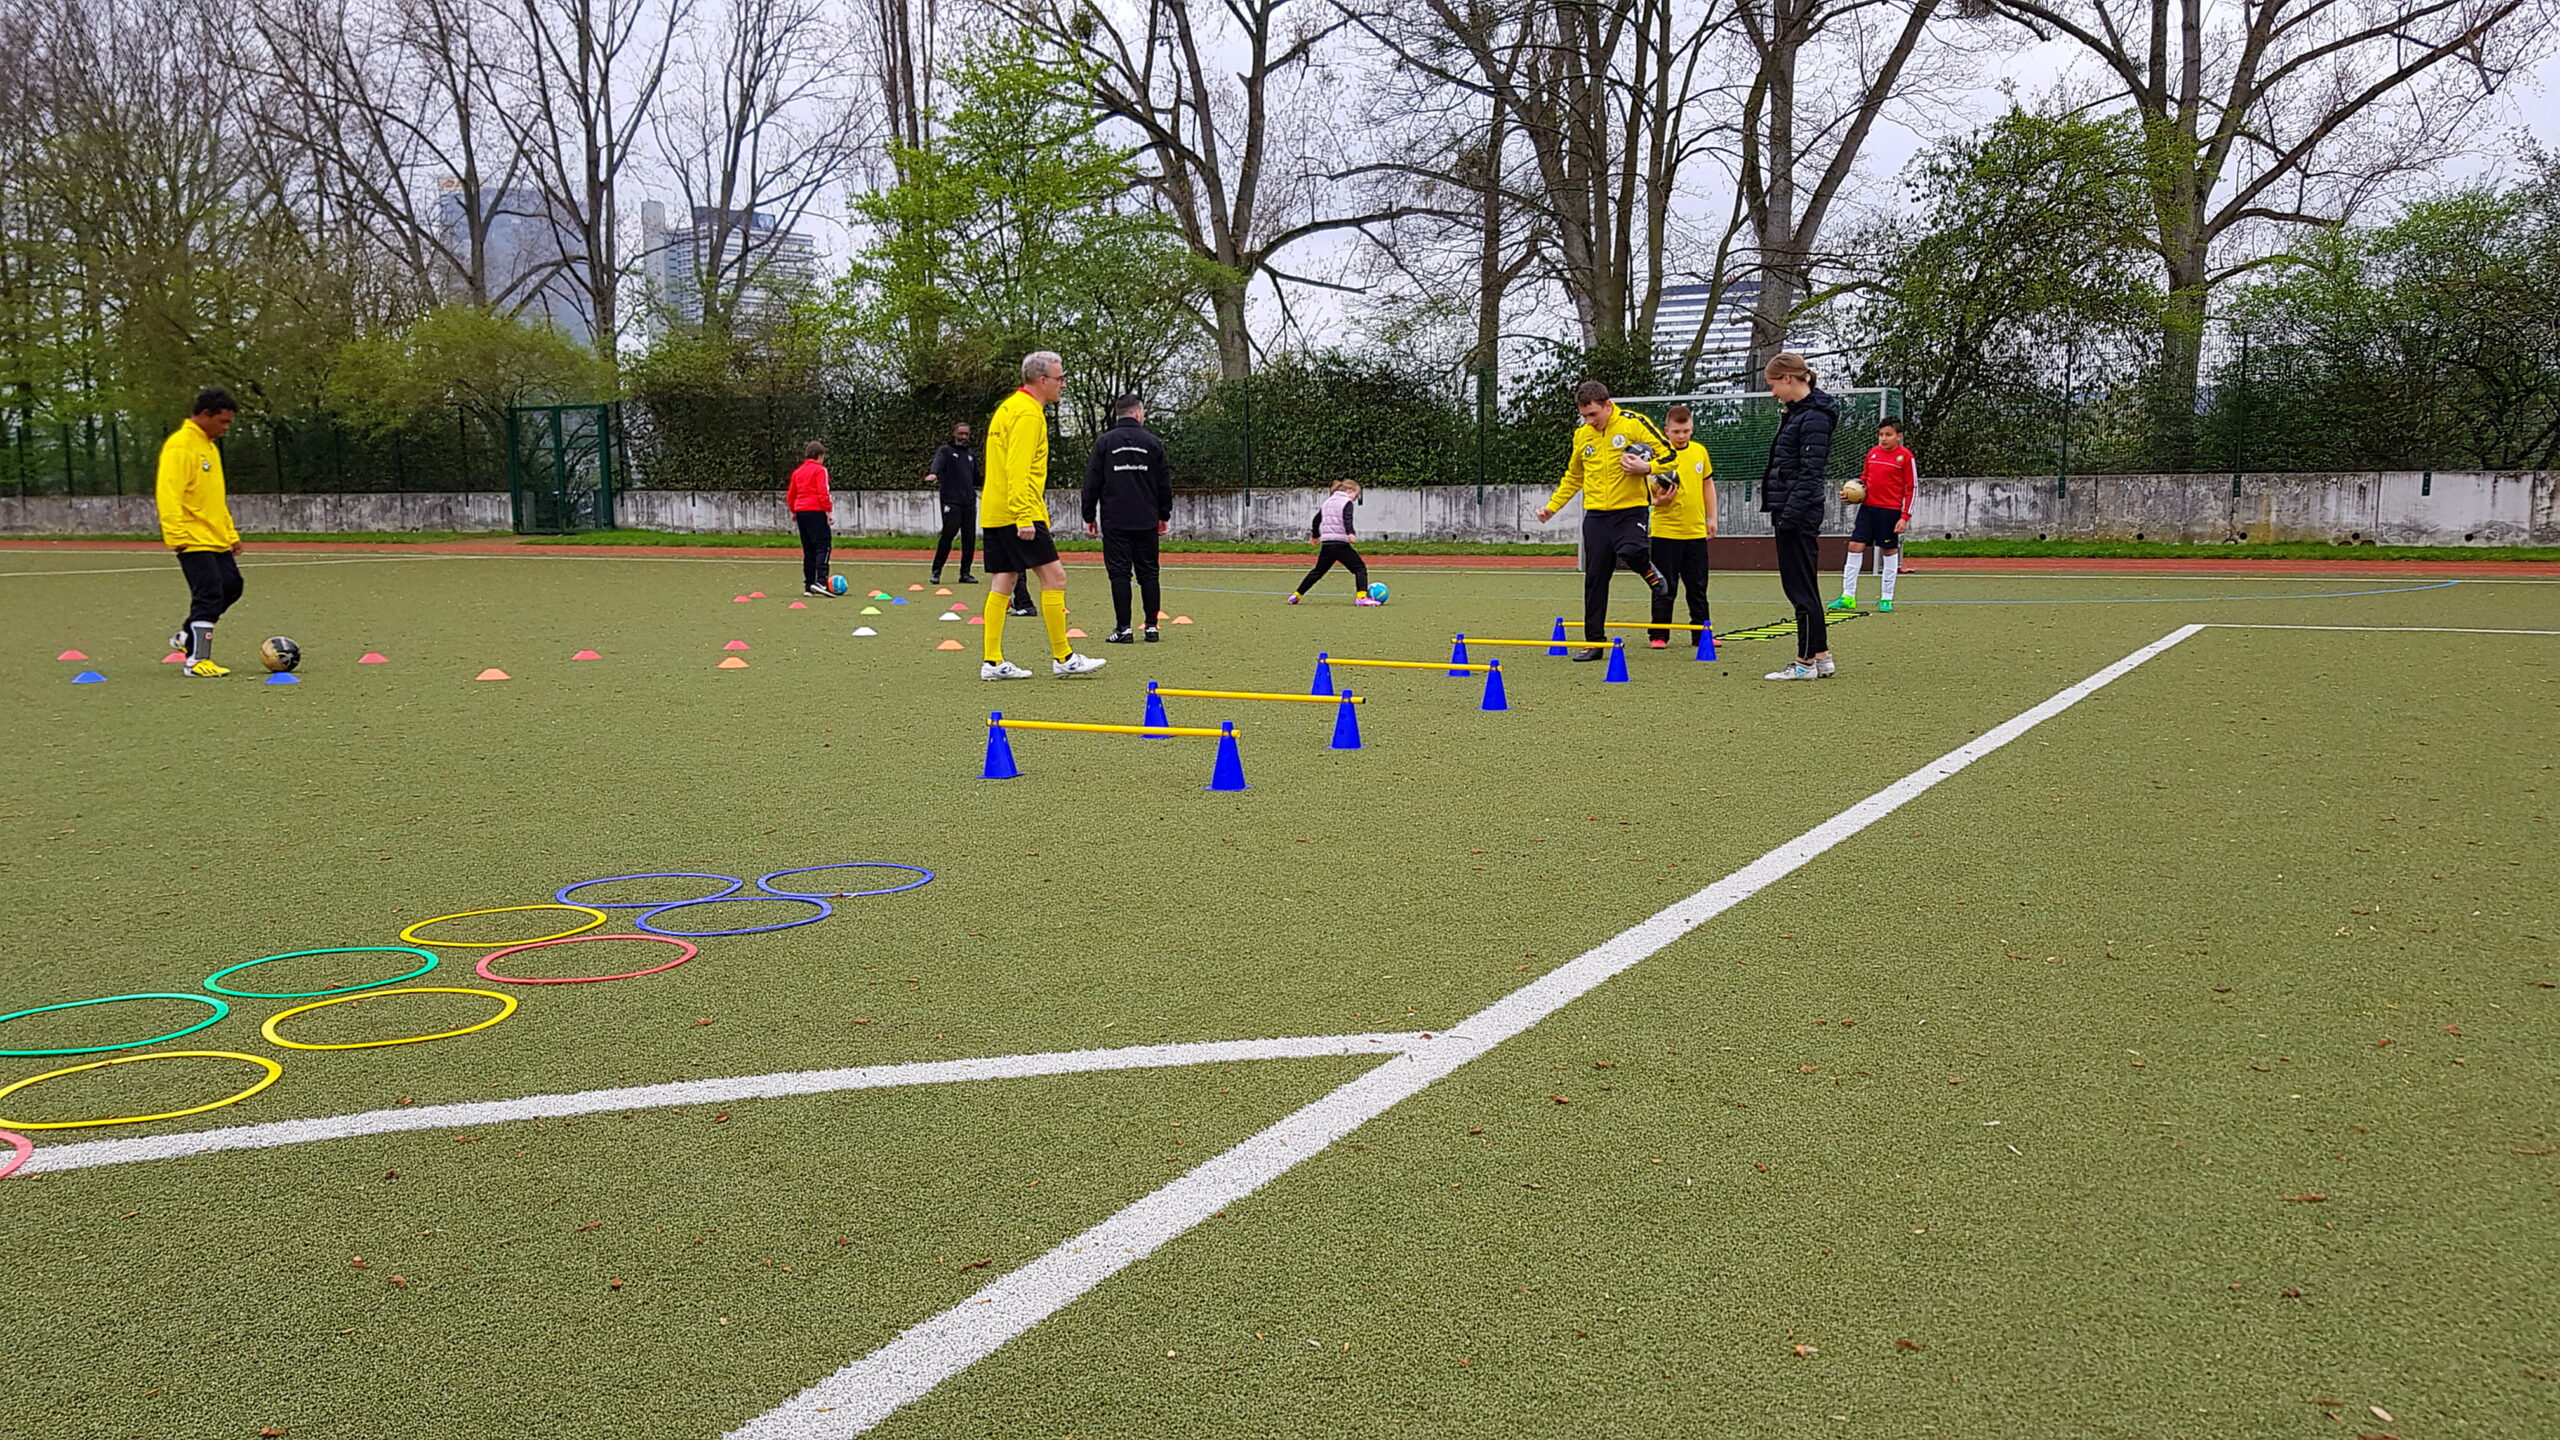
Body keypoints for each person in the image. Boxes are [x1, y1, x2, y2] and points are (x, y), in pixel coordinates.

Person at [980, 350, 1105, 680]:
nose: (1063, 384)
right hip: (1018, 510)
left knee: (1004, 580)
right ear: (1041, 380)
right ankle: (1064, 656)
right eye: (1060, 378)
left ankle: (992, 661)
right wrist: (1024, 516)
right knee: (1055, 578)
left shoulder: (1009, 408)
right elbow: (1017, 469)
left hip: (996, 509)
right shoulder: (1028, 414)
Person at [1534, 380, 1677, 660]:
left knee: (1632, 551)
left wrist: (1647, 467)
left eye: (1593, 414)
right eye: (1584, 416)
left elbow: (1671, 456)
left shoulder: (1633, 423)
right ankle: (1595, 643)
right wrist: (1551, 508)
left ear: (1608, 405)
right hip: (1596, 515)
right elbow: (1574, 477)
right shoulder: (1582, 435)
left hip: (1631, 510)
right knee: (1595, 579)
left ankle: (1649, 572)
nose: (1589, 421)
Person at [1758, 352, 1839, 680]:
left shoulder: (1814, 417)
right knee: (1805, 585)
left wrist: (1790, 513)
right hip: (1791, 507)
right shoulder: (1799, 413)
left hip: (1798, 512)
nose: (1772, 392)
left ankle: (1804, 663)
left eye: (1773, 385)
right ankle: (1821, 655)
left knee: (1799, 588)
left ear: (1788, 379)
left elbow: (1810, 473)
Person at [157, 388, 244, 677]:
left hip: (215, 536)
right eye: (223, 421)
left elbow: (214, 498)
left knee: (232, 586)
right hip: (191, 536)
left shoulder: (209, 448)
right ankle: (197, 661)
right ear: (205, 415)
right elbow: (169, 494)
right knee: (208, 593)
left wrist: (230, 533)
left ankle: (186, 637)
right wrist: (176, 535)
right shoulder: (180, 446)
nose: (226, 428)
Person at [1080, 393, 1173, 643]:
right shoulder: (1152, 443)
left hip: (1115, 519)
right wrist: (1164, 514)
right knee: (1149, 573)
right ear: (1138, 413)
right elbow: (1163, 483)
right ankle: (1151, 627)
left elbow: (1092, 481)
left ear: (1118, 414)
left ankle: (1124, 629)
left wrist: (1089, 515)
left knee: (1120, 573)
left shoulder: (1105, 442)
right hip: (1146, 518)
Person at [1646, 405, 1714, 646]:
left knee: (1698, 586)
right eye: (1676, 431)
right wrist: (1657, 501)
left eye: (1686, 431)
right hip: (1665, 532)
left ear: (1692, 429)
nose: (1682, 435)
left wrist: (1712, 518)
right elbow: (1641, 491)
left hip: (1695, 532)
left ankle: (1702, 634)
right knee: (1665, 585)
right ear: (1666, 431)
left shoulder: (1699, 452)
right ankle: (1659, 634)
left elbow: (1707, 485)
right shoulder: (1657, 457)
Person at [1834, 414, 1916, 613]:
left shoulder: (1905, 457)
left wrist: (1905, 517)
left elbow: (1912, 488)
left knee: (1889, 550)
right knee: (1855, 545)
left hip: (1890, 511)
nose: (1883, 438)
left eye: (1888, 434)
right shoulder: (1872, 453)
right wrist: (1852, 495)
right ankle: (1848, 596)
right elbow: (1864, 480)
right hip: (1868, 509)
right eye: (1881, 434)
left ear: (1898, 436)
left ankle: (1886, 598)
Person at [1288, 479, 1381, 605]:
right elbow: (1347, 518)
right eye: (1357, 495)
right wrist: (1350, 532)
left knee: (1318, 571)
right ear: (1350, 490)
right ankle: (1361, 598)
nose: (1355, 498)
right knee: (1360, 568)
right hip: (1340, 543)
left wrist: (1315, 535)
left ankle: (1296, 595)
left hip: (1327, 543)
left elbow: (1316, 520)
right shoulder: (1346, 502)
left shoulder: (1327, 502)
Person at [925, 423, 982, 584]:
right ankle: (936, 571)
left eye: (966, 434)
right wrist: (933, 474)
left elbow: (977, 478)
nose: (963, 437)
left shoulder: (971, 455)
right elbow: (937, 464)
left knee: (969, 538)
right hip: (951, 500)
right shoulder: (946, 451)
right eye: (961, 433)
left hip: (969, 501)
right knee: (948, 534)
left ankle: (965, 573)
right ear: (954, 434)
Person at [787, 439, 834, 597]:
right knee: (823, 545)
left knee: (808, 549)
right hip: (816, 510)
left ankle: (809, 585)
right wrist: (828, 511)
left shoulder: (798, 472)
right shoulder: (820, 470)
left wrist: (793, 511)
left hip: (801, 511)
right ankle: (821, 581)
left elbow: (791, 494)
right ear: (820, 456)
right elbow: (823, 492)